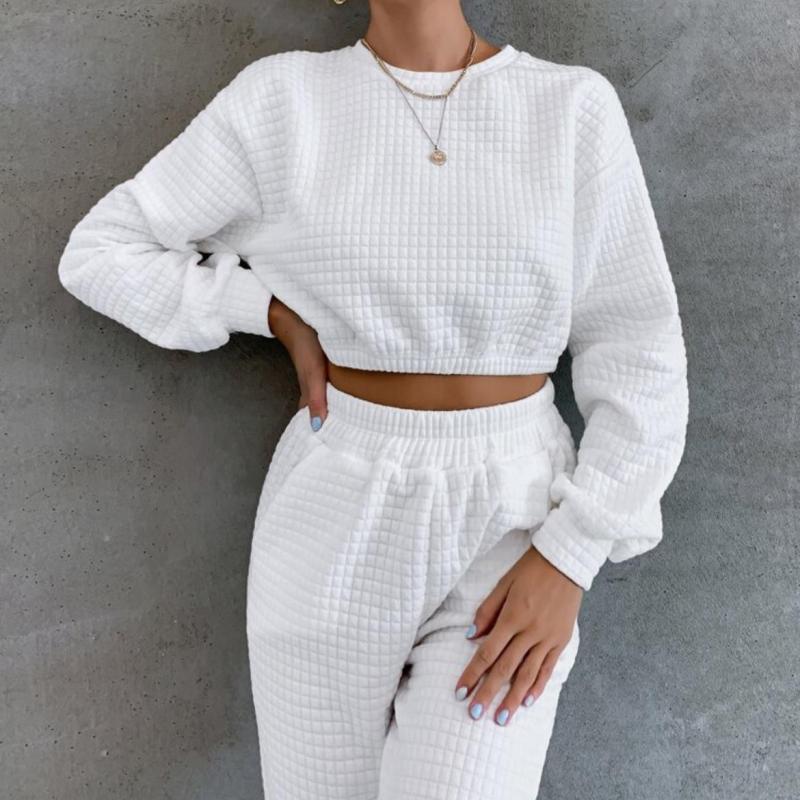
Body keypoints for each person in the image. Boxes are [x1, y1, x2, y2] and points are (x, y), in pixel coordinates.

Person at [56, 2, 689, 798]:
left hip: (512, 514)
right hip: (333, 508)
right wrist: (266, 312)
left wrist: (571, 556)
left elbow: (640, 350)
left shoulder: (569, 108)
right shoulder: (282, 101)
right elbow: (101, 251)